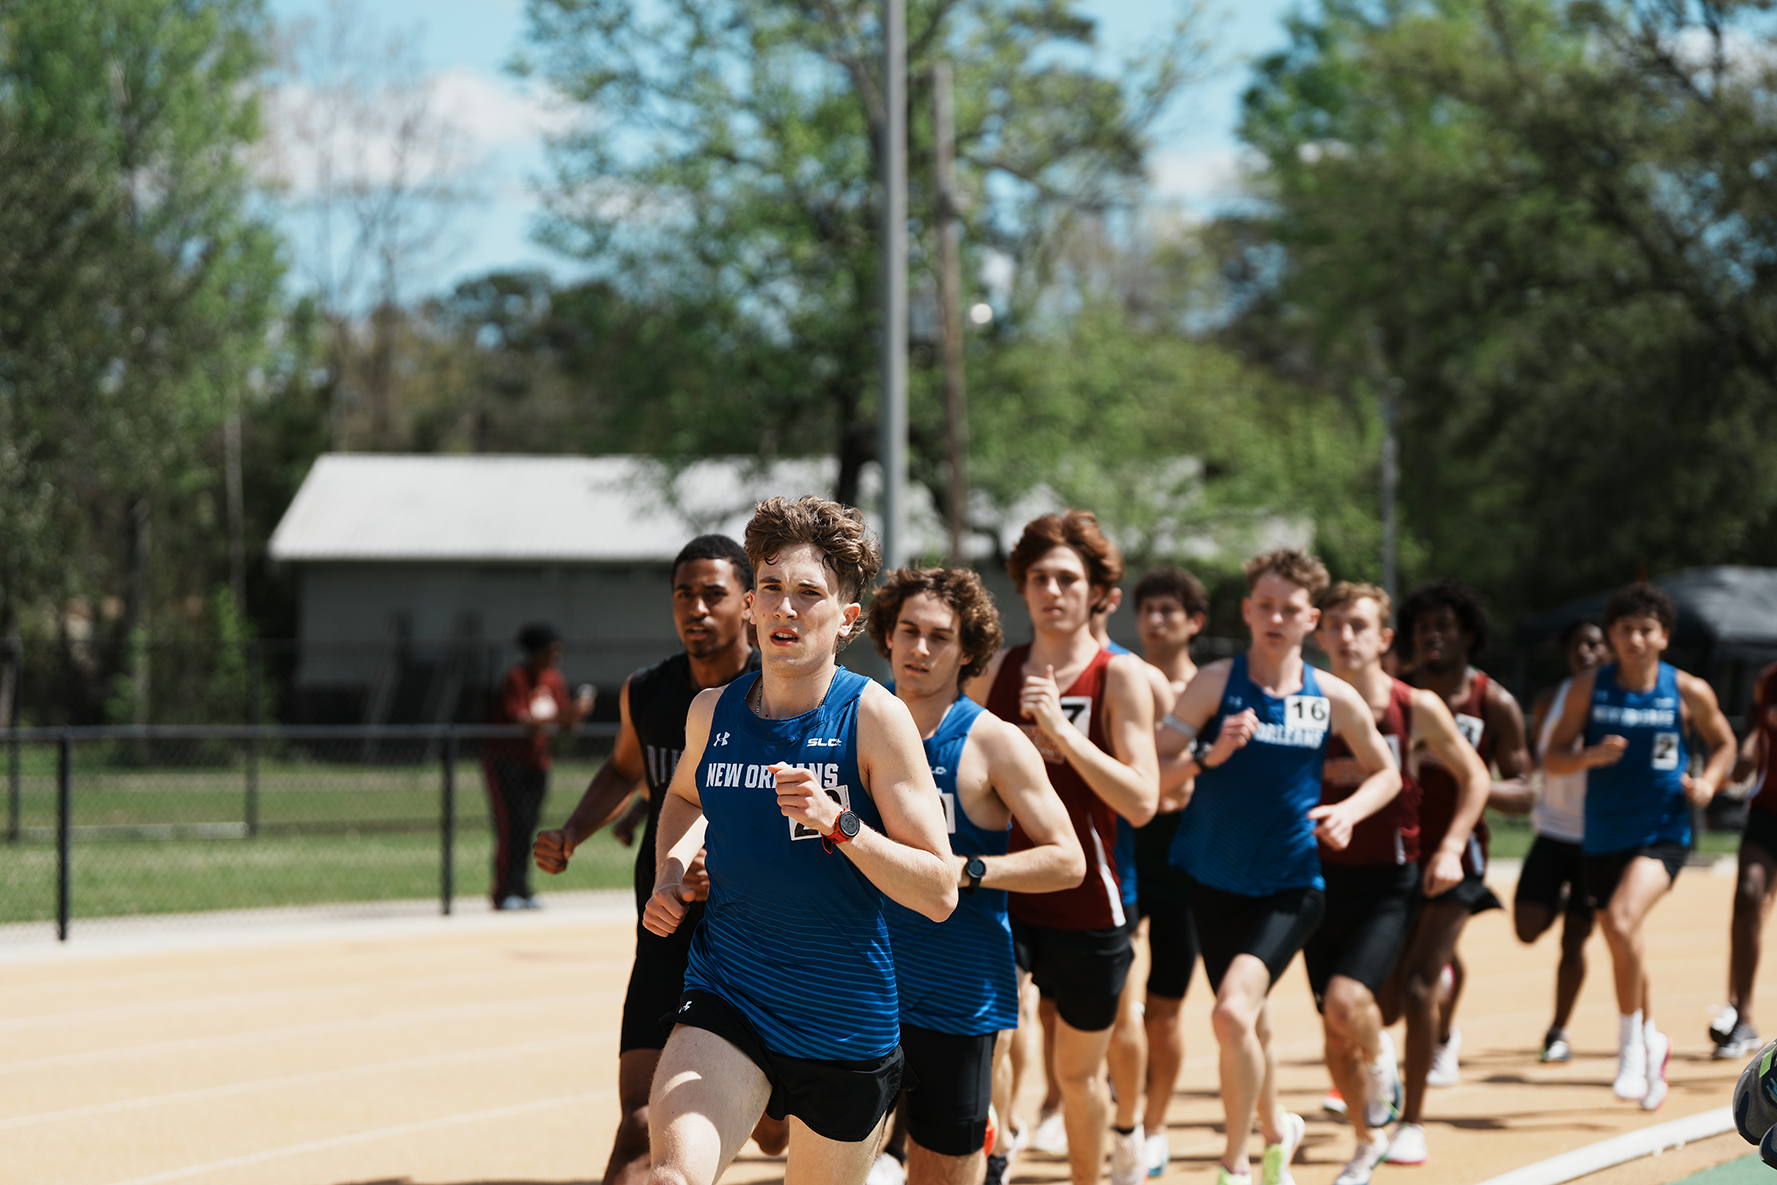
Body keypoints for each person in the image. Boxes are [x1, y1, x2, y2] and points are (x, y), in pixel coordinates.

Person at [641, 495, 957, 1185]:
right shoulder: (710, 711)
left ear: (845, 620)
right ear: (750, 604)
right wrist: (670, 871)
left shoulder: (873, 716)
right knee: (670, 1177)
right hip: (729, 995)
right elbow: (686, 795)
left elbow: (938, 890)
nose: (788, 608)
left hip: (843, 1026)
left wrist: (841, 824)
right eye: (774, 589)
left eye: (809, 593)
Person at [532, 535, 785, 1184]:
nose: (696, 607)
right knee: (640, 1121)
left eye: (713, 594)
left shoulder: (776, 695)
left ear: (748, 605)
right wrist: (572, 832)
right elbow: (622, 770)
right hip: (666, 927)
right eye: (683, 593)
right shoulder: (646, 692)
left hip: (754, 937)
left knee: (773, 1127)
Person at [1159, 549, 1401, 1185]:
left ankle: (1235, 1166)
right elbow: (1153, 773)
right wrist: (1209, 753)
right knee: (1251, 1025)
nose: (1275, 617)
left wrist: (1349, 811)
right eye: (1264, 605)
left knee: (1232, 1013)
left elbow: (1388, 773)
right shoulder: (1215, 682)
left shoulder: (1330, 696)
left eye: (1289, 609)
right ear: (1246, 610)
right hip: (1212, 879)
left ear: (1310, 620)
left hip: (1293, 887)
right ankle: (1277, 1133)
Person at [867, 565, 1086, 1185]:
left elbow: (1068, 860)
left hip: (957, 985)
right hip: (859, 973)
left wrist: (969, 869)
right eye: (908, 631)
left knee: (945, 1165)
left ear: (967, 650)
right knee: (807, 1141)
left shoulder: (994, 742)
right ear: (886, 634)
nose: (920, 648)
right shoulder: (851, 720)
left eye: (940, 636)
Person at [963, 510, 1160, 1185]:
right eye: (1040, 577)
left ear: (1097, 591)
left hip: (1086, 900)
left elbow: (1141, 797)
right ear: (1021, 585)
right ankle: (994, 1154)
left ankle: (1095, 1169)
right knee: (991, 1038)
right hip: (1007, 886)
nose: (1053, 590)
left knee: (1077, 1074)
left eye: (1068, 579)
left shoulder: (1119, 675)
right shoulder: (998, 669)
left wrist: (1059, 731)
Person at [1308, 582, 1488, 1184]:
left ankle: (1403, 1103)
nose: (1346, 637)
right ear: (1319, 632)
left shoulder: (1417, 708)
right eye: (1335, 625)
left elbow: (1476, 779)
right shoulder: (1302, 701)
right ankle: (1366, 1142)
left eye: (1359, 625)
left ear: (1385, 638)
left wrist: (1455, 847)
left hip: (1390, 881)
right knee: (1336, 1030)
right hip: (1315, 879)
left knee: (1360, 1001)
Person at [1545, 582, 1736, 1110]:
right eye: (1625, 629)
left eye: (1645, 630)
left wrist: (1710, 782)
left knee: (1623, 921)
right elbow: (1553, 757)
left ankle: (1629, 1049)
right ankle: (1654, 1040)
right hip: (1603, 835)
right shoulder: (1590, 688)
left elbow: (1724, 743)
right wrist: (1589, 757)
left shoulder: (1687, 690)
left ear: (1664, 637)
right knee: (1619, 937)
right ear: (1611, 635)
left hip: (1664, 832)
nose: (1635, 639)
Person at [1386, 577, 1533, 1140]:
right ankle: (1432, 1030)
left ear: (1468, 634)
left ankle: (1411, 1121)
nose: (1433, 638)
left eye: (1444, 627)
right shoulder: (1396, 695)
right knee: (1391, 998)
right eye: (1423, 629)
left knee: (1422, 984)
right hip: (1397, 851)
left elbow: (1524, 791)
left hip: (1460, 856)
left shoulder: (1493, 702)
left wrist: (1470, 778)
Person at [1132, 566, 1211, 1178]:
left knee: (1164, 1009)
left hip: (1194, 859)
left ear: (1194, 622)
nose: (1156, 621)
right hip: (1133, 851)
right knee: (1111, 1001)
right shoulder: (1129, 684)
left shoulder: (1213, 691)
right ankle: (1103, 1112)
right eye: (1148, 609)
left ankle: (1154, 1128)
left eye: (1169, 611)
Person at [1516, 619, 1612, 1064]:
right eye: (1578, 645)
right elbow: (1543, 758)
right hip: (1553, 828)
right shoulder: (1550, 699)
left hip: (1596, 837)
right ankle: (1561, 896)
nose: (1586, 651)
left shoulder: (1616, 701)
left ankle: (1557, 1030)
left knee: (1575, 938)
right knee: (1527, 928)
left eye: (1595, 644)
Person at [484, 622, 593, 910]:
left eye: (559, 652)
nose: (556, 657)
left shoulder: (553, 679)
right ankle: (503, 891)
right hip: (506, 764)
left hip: (538, 764)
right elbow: (519, 719)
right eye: (550, 651)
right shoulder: (516, 678)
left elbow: (565, 723)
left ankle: (522, 889)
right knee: (510, 828)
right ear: (534, 652)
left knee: (528, 827)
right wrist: (562, 717)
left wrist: (578, 714)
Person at [1716, 660, 1777, 1058]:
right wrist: (1748, 750)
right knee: (1747, 893)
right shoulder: (1769, 679)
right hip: (1768, 809)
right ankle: (1743, 1014)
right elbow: (1758, 719)